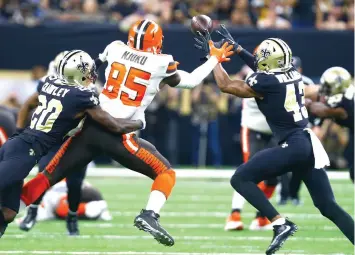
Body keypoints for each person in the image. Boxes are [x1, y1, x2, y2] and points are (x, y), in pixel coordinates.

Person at [19, 19, 234, 246]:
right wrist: (214, 59)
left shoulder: (115, 48)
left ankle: (8, 207)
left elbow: (92, 66)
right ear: (157, 41)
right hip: (119, 134)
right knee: (166, 174)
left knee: (47, 177)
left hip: (90, 126)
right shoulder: (162, 62)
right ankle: (150, 214)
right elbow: (189, 82)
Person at [195, 25, 354, 254]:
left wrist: (215, 60)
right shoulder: (294, 74)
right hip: (309, 143)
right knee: (328, 206)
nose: (258, 59)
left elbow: (226, 85)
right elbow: (262, 70)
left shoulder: (266, 82)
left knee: (240, 179)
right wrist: (238, 50)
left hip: (294, 144)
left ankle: (279, 223)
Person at [0, 50, 144, 238]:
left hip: (20, 145)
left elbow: (29, 103)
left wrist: (100, 59)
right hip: (26, 150)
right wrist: (139, 121)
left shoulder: (49, 82)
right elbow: (114, 125)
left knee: (9, 213)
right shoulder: (81, 96)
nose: (91, 75)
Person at [17, 51, 89, 235]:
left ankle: (72, 218)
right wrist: (19, 131)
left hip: (76, 141)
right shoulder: (49, 83)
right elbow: (28, 104)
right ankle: (32, 211)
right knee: (43, 174)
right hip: (53, 140)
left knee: (75, 183)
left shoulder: (87, 90)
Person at [308, 67, 354, 182]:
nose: (324, 89)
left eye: (328, 87)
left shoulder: (347, 102)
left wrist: (307, 104)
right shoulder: (332, 94)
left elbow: (323, 110)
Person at [17, 180, 111, 223]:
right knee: (61, 209)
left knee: (62, 209)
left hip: (73, 192)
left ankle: (93, 208)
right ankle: (92, 209)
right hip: (63, 195)